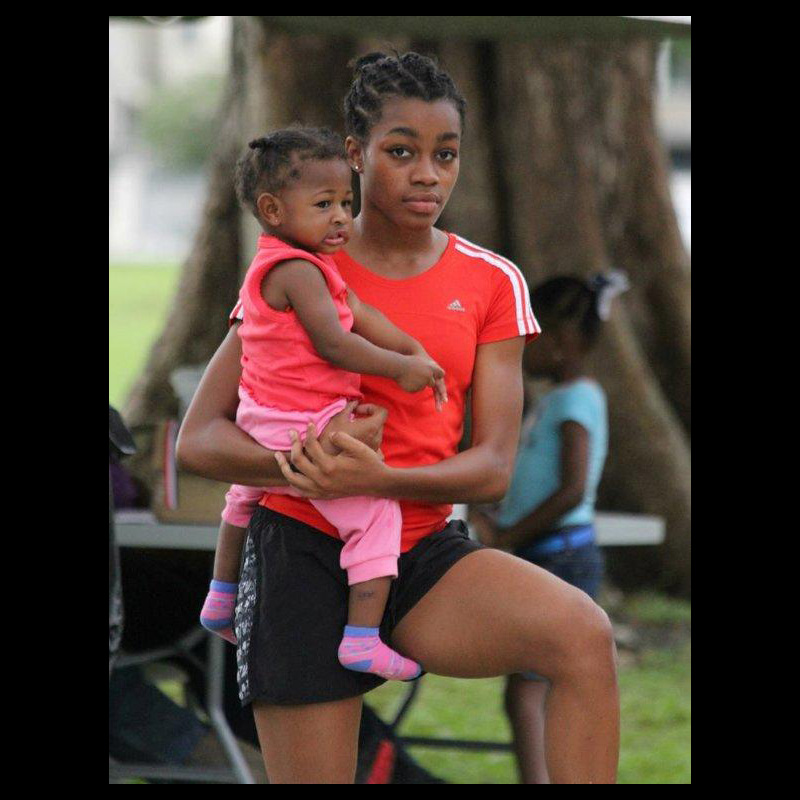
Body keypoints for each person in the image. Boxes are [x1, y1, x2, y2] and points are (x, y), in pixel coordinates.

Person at [177, 51, 619, 784]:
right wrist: (303, 466)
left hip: (419, 554)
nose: (427, 175)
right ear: (355, 155)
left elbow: (493, 470)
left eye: (445, 154)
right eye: (402, 152)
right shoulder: (299, 268)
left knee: (582, 635)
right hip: (298, 552)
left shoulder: (492, 282)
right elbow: (199, 440)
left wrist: (378, 479)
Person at [199, 127, 447, 683]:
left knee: (244, 495)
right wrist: (399, 368)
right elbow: (336, 342)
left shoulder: (300, 264)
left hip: (263, 412)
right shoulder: (297, 271)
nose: (341, 217)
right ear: (272, 209)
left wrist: (411, 347)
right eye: (323, 205)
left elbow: (360, 313)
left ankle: (220, 596)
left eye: (344, 202)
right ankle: (362, 639)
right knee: (377, 513)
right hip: (298, 420)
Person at [470, 271, 629, 783]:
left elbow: (572, 488)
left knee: (529, 690)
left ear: (560, 342)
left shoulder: (575, 400)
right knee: (526, 687)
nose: (521, 346)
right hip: (546, 552)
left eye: (530, 336)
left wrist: (506, 537)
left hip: (561, 555)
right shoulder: (558, 399)